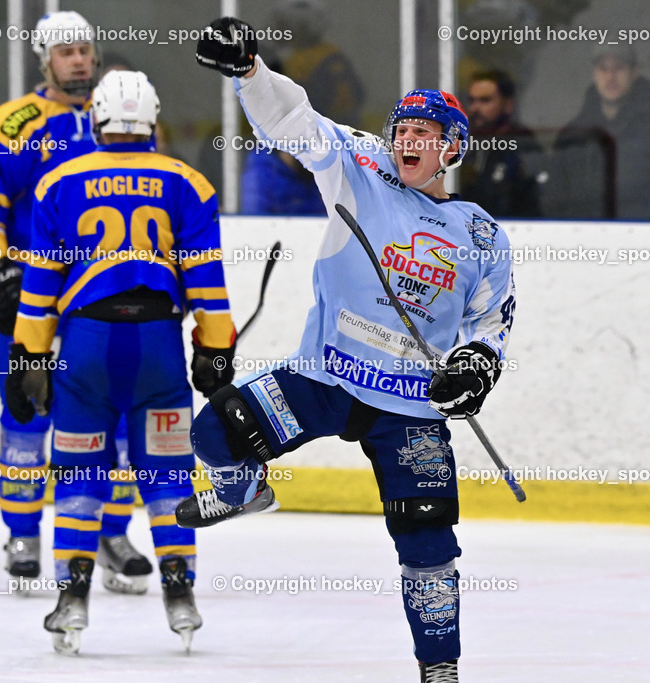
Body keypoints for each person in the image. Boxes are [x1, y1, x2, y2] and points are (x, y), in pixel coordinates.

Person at [181, 18, 516, 683]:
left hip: (412, 409)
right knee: (215, 429)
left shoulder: (478, 229)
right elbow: (296, 122)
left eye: (425, 133)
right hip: (325, 377)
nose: (407, 139)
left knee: (427, 542)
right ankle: (244, 487)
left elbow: (492, 322)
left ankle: (439, 667)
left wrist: (475, 367)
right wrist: (250, 71)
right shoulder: (359, 162)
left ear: (452, 149)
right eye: (403, 128)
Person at [6, 69, 236, 654]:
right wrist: (214, 348)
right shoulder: (190, 182)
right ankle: (180, 596)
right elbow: (207, 281)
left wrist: (27, 354)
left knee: (82, 475)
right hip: (158, 344)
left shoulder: (58, 180)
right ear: (153, 121)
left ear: (96, 120)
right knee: (167, 476)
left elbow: (40, 283)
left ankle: (73, 602)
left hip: (87, 347)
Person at [0, 10, 150, 591]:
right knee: (28, 412)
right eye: (66, 51)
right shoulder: (17, 121)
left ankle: (110, 532)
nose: (79, 59)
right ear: (44, 59)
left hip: (103, 295)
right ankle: (22, 533)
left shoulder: (119, 112)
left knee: (116, 418)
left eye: (85, 49)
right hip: (35, 296)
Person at [549, 44, 650, 219]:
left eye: (619, 68)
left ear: (634, 72)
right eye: (603, 69)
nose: (610, 76)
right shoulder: (573, 135)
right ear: (594, 74)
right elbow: (554, 200)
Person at [459, 70, 542, 218]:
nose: (474, 108)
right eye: (472, 100)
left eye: (485, 100)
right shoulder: (464, 141)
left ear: (507, 105)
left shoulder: (522, 143)